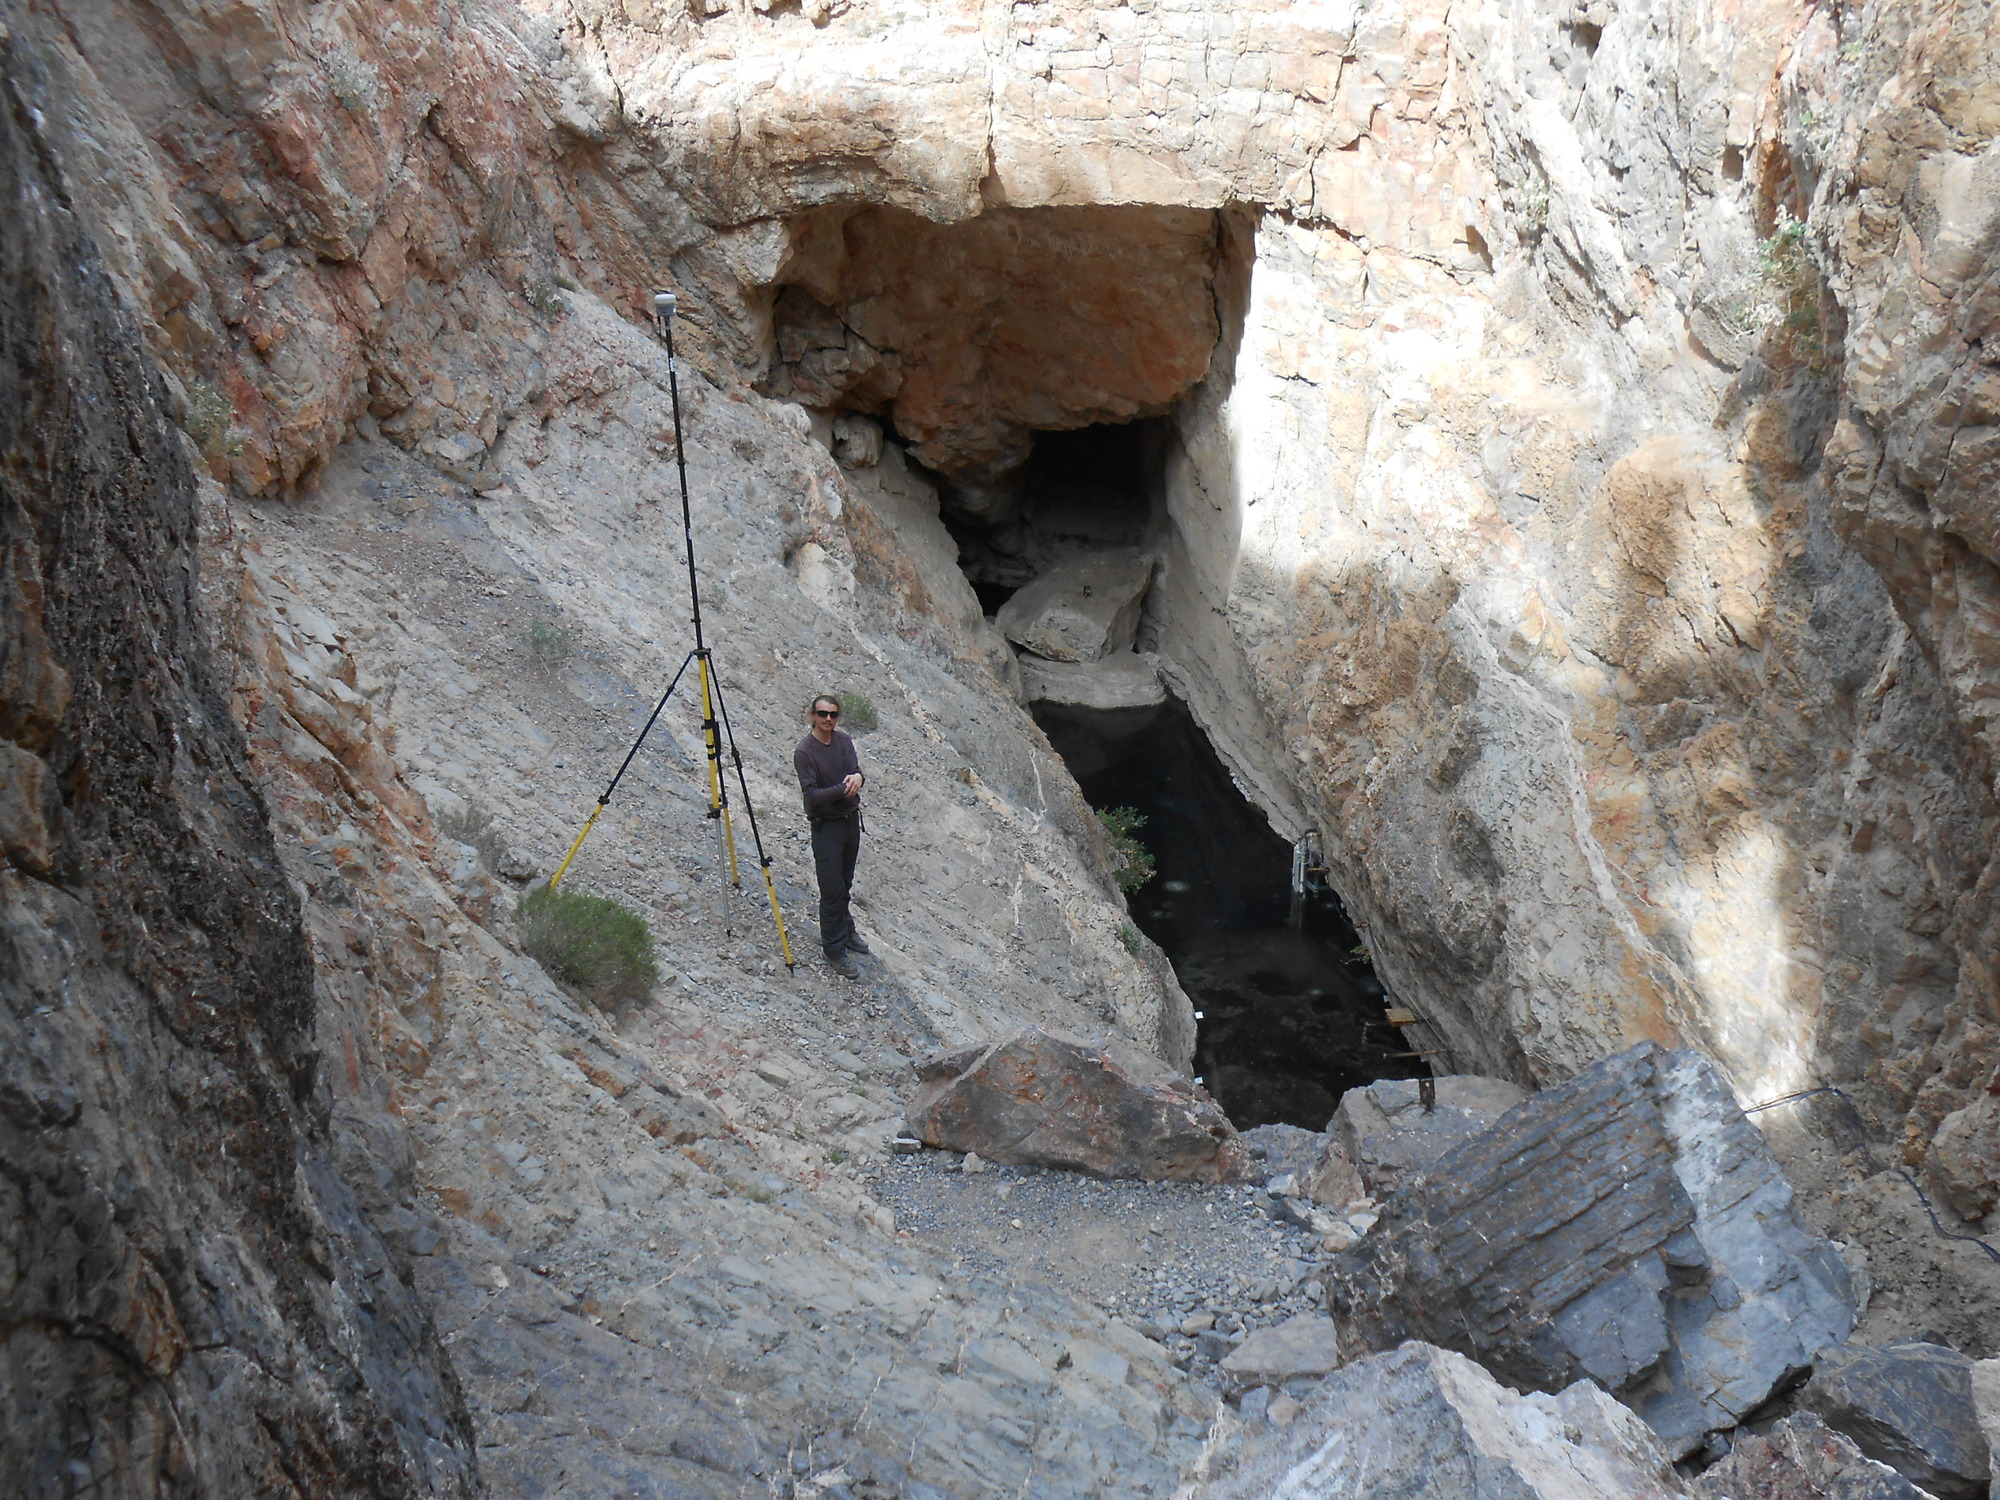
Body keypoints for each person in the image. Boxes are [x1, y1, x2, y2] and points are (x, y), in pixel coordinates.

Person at [794, 694, 869, 976]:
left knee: (845, 882)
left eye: (833, 715)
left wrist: (859, 778)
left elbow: (855, 771)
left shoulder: (844, 741)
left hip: (850, 822)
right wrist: (843, 788)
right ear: (812, 715)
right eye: (823, 714)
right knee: (831, 890)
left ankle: (846, 930)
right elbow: (812, 798)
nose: (828, 719)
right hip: (826, 827)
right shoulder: (805, 752)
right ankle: (833, 948)